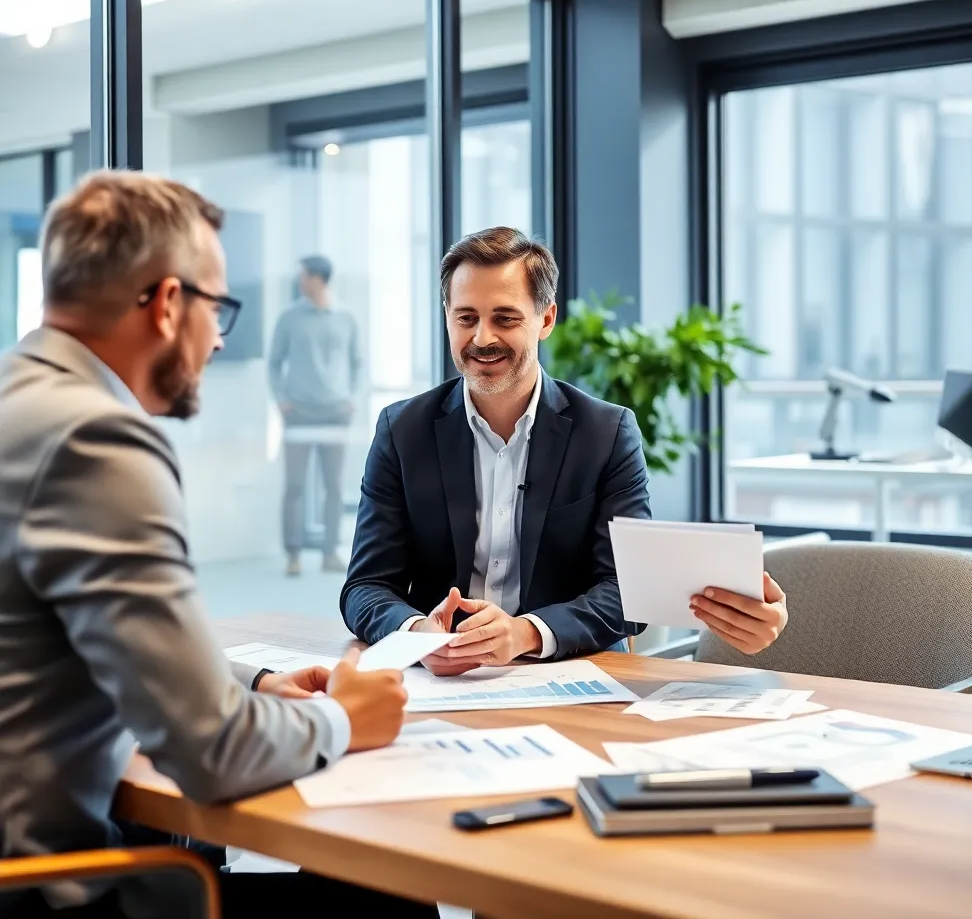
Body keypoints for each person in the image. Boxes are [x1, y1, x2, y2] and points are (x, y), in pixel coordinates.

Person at [0, 171, 435, 918]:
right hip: (54, 890)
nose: (221, 334)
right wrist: (345, 719)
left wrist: (253, 682)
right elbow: (212, 753)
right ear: (170, 304)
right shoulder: (97, 438)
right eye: (217, 306)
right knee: (381, 889)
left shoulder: (20, 399)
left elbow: (86, 643)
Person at [341, 227, 787, 674]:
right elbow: (366, 585)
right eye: (466, 317)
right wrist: (419, 634)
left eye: (505, 318)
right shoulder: (402, 431)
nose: (481, 338)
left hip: (569, 673)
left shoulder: (606, 432)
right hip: (439, 680)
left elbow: (624, 591)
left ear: (546, 319)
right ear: (447, 316)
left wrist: (526, 634)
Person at [268, 255, 361, 578]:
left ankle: (329, 551)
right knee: (294, 484)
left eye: (303, 276)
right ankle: (292, 554)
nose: (299, 281)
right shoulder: (289, 318)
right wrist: (281, 400)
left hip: (335, 412)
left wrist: (352, 399)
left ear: (319, 279)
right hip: (299, 413)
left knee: (333, 486)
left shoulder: (346, 317)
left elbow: (357, 362)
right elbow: (274, 362)